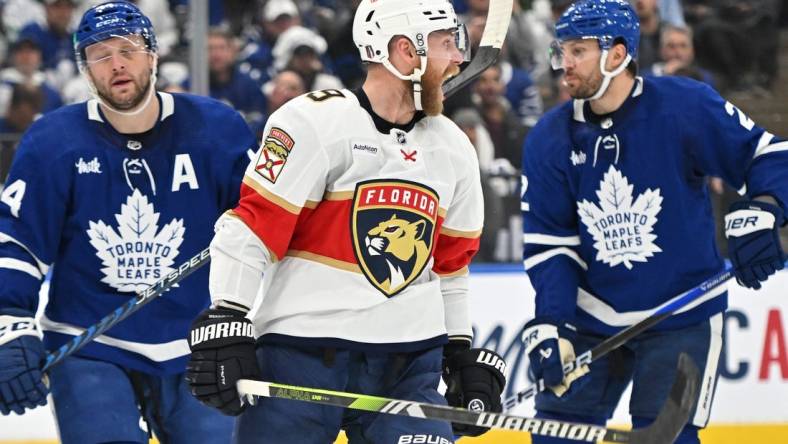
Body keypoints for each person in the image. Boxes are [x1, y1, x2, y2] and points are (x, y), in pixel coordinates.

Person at [184, 0, 507, 442]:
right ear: (403, 51)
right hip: (300, 358)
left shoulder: (453, 147)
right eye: (446, 44)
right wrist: (228, 315)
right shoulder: (314, 122)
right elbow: (251, 228)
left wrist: (458, 351)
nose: (458, 58)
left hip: (409, 365)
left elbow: (450, 266)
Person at [519, 1, 787, 444]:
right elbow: (552, 246)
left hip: (681, 312)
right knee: (555, 438)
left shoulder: (685, 106)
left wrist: (766, 208)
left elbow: (768, 155)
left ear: (618, 54)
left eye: (578, 51)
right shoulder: (549, 138)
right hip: (591, 318)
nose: (563, 63)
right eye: (561, 50)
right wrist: (552, 321)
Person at [0, 3, 256, 443]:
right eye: (100, 55)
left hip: (197, 340)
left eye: (128, 49)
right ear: (85, 69)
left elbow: (262, 229)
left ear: (153, 55)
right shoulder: (52, 142)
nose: (116, 64)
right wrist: (9, 323)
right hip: (90, 343)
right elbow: (16, 241)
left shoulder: (218, 130)